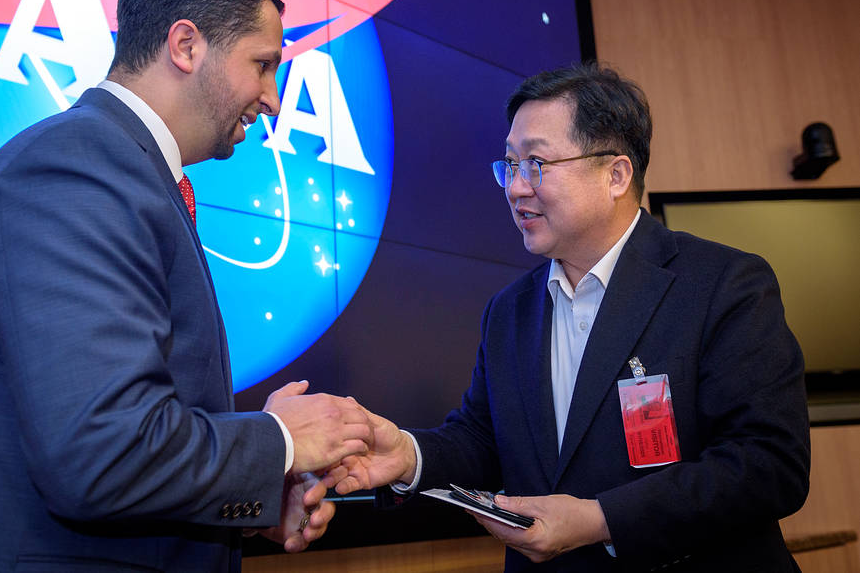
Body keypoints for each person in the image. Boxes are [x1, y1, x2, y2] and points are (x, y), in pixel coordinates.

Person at [0, 0, 374, 572]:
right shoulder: (75, 167)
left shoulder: (129, 174)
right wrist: (280, 440)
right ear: (185, 45)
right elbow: (102, 453)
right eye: (262, 64)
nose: (274, 96)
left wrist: (254, 496)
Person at [330, 63, 811, 572]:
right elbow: (484, 442)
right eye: (510, 166)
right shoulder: (508, 312)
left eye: (536, 164)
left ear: (616, 175)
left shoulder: (721, 284)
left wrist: (602, 519)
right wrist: (408, 455)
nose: (516, 188)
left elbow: (769, 466)